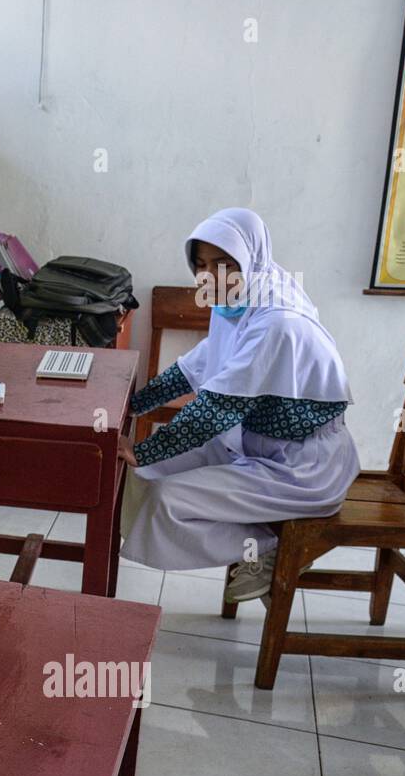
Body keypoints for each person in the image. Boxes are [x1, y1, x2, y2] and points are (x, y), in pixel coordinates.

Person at [118, 207, 359, 604]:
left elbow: (215, 409)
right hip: (250, 444)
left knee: (167, 499)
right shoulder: (241, 299)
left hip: (301, 465)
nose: (209, 277)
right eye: (200, 265)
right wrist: (134, 405)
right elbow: (196, 367)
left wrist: (142, 449)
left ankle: (271, 550)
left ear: (251, 258)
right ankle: (261, 546)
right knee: (139, 477)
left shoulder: (276, 321)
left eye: (223, 264)